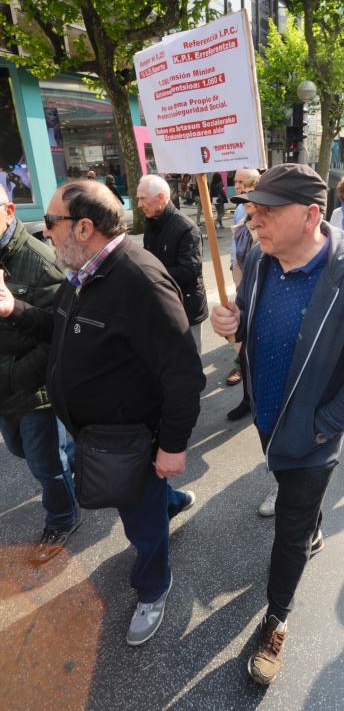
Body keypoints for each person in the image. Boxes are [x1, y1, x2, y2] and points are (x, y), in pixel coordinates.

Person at [0, 180, 205, 646]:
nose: (44, 231)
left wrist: (172, 447)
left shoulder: (139, 279)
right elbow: (59, 329)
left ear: (84, 227)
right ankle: (168, 500)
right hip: (98, 435)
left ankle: (153, 587)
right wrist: (15, 310)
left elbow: (183, 374)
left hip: (128, 439)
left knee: (140, 523)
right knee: (145, 498)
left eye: (51, 223)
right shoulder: (86, 268)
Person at [210, 163, 344, 685]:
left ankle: (276, 619)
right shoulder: (261, 261)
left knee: (289, 532)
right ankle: (311, 523)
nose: (252, 220)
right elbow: (246, 315)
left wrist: (320, 428)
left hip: (313, 438)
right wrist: (232, 323)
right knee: (292, 494)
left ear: (311, 215)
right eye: (251, 209)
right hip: (268, 421)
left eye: (267, 212)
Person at [0, 186, 80, 564]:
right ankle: (76, 457)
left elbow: (58, 335)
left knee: (45, 463)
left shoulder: (41, 259)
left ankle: (63, 516)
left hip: (33, 390)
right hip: (5, 389)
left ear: (9, 210)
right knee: (19, 450)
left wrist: (15, 378)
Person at [137, 174, 208, 354]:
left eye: (142, 198)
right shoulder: (151, 222)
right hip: (161, 303)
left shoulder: (186, 228)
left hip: (186, 308)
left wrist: (150, 274)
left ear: (160, 197)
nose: (139, 204)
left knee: (189, 361)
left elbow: (189, 271)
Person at [225, 168, 260, 393]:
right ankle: (248, 395)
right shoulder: (242, 218)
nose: (243, 194)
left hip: (259, 290)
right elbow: (237, 249)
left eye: (250, 191)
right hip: (243, 277)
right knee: (242, 331)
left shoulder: (267, 231)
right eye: (239, 185)